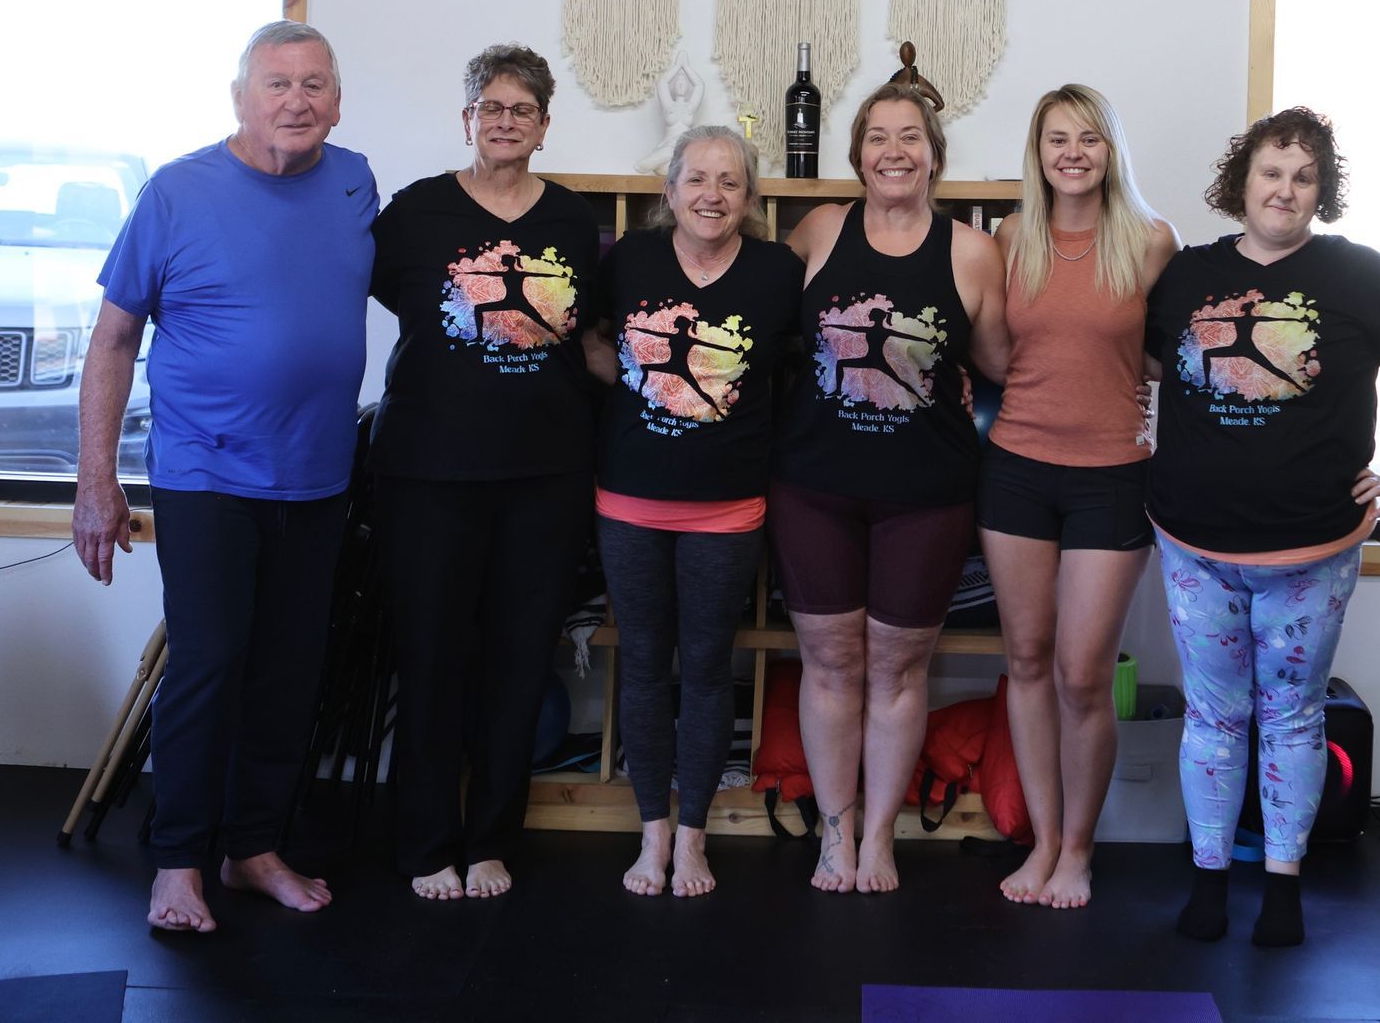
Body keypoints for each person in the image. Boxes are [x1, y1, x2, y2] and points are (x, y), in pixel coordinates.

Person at [73, 20, 376, 933]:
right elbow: (113, 342)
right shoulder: (177, 192)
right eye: (277, 83)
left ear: (337, 101)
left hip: (318, 477)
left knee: (290, 672)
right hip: (205, 474)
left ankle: (252, 850)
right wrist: (96, 482)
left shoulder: (356, 182)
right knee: (209, 665)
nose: (297, 100)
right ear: (241, 97)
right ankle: (179, 863)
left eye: (315, 84)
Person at [1145, 107, 1380, 947]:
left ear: (1322, 191)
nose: (1285, 190)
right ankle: (1209, 883)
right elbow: (1146, 369)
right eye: (1272, 172)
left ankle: (1282, 890)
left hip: (1312, 549)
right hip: (1195, 544)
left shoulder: (1360, 274)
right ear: (1242, 182)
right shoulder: (1187, 274)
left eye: (1304, 177)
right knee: (1212, 718)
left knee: (1291, 718)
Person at [368, 44, 600, 903]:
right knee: (430, 659)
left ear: (544, 125)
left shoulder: (572, 220)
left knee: (520, 660)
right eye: (490, 108)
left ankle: (493, 838)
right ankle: (427, 842)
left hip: (545, 477)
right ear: (467, 119)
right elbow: (397, 300)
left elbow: (586, 334)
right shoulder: (415, 213)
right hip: (428, 474)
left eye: (521, 109)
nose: (505, 122)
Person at [770, 81, 1010, 893]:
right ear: (858, 154)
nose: (894, 151)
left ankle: (879, 839)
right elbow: (764, 320)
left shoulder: (973, 252)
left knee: (900, 669)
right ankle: (835, 834)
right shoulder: (819, 230)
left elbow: (1001, 363)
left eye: (911, 136)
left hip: (926, 493)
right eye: (878, 136)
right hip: (814, 487)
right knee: (830, 663)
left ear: (934, 154)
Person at [590, 126, 803, 897]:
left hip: (729, 505)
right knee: (645, 665)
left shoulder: (778, 272)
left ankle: (694, 840)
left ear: (749, 197)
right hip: (630, 499)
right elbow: (590, 340)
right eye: (697, 179)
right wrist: (641, 383)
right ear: (670, 189)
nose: (712, 195)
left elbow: (801, 367)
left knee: (709, 669)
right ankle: (652, 835)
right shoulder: (631, 260)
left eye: (729, 182)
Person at [980, 86, 1177, 908]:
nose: (1072, 153)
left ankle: (1078, 852)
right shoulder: (1010, 237)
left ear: (1110, 149)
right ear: (1038, 151)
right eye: (1057, 138)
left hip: (1112, 476)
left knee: (1081, 673)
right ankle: (1044, 842)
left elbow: (1168, 358)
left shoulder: (1151, 240)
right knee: (1026, 661)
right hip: (1016, 470)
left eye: (1089, 138)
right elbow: (996, 355)